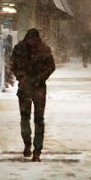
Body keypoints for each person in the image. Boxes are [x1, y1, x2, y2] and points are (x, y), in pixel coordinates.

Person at [10, 28, 55, 162]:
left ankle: (36, 149)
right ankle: (28, 144)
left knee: (37, 119)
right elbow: (13, 65)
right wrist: (22, 77)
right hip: (29, 88)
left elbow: (51, 66)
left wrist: (38, 78)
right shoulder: (23, 49)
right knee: (27, 118)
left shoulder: (41, 50)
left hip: (37, 88)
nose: (32, 43)